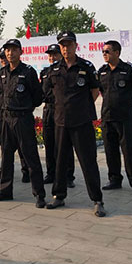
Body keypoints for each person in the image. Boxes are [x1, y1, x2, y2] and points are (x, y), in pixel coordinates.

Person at [45, 31, 106, 217]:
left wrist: (82, 107)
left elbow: (95, 90)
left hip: (81, 122)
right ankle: (59, 195)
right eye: (63, 45)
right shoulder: (54, 69)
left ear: (75, 46)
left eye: (69, 45)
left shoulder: (86, 67)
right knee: (60, 161)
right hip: (61, 122)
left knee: (88, 162)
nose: (66, 49)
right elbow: (48, 92)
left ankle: (97, 200)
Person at [0, 39, 46, 207]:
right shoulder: (0, 73)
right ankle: (5, 190)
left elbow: (37, 97)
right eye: (7, 50)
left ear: (20, 52)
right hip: (6, 119)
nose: (10, 53)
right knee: (6, 157)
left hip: (23, 119)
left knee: (31, 157)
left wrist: (25, 107)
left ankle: (39, 194)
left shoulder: (28, 72)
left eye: (14, 50)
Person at [98, 40, 132, 195]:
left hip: (125, 118)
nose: (104, 54)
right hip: (107, 118)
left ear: (117, 53)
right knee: (110, 151)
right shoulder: (102, 71)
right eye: (103, 51)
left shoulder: (129, 69)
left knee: (129, 150)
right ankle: (114, 180)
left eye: (107, 51)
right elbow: (100, 91)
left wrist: (128, 106)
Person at [40, 44, 75, 188]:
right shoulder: (45, 72)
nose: (52, 57)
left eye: (55, 54)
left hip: (62, 110)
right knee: (49, 143)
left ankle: (68, 176)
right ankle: (51, 173)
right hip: (48, 109)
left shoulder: (64, 71)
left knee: (64, 144)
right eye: (50, 55)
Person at [0, 48, 30, 183]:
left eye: (4, 57)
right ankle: (4, 170)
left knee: (22, 146)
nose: (3, 60)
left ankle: (26, 170)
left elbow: (35, 96)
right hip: (3, 113)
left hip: (19, 114)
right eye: (1, 58)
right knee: (5, 145)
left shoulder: (25, 72)